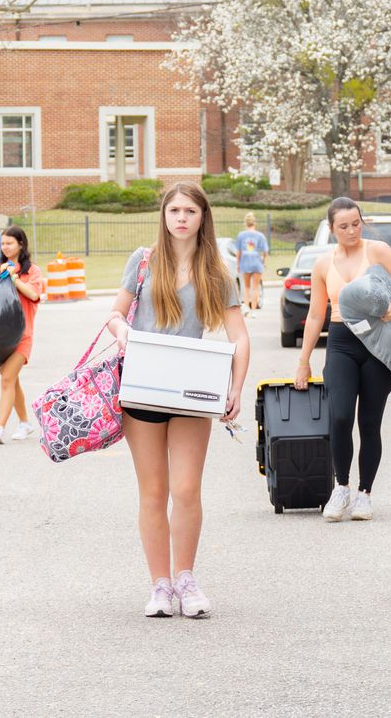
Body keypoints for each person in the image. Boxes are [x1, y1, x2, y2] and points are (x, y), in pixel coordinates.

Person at [105, 182, 249, 619]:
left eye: (190, 210)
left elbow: (239, 336)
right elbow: (114, 313)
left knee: (186, 490)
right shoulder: (144, 262)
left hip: (191, 389)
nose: (181, 218)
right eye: (174, 211)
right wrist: (124, 331)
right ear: (164, 217)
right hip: (142, 387)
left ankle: (186, 579)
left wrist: (235, 387)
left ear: (203, 216)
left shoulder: (218, 273)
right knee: (153, 492)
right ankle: (160, 586)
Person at [294, 197, 391, 522]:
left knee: (370, 423)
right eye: (343, 226)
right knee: (340, 416)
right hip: (341, 343)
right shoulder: (322, 265)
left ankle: (365, 494)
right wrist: (304, 360)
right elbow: (316, 313)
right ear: (331, 228)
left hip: (378, 343)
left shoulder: (377, 252)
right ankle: (341, 487)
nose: (351, 231)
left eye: (356, 223)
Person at [0, 226, 45, 444]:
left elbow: (34, 294)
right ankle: (25, 423)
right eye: (3, 243)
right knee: (12, 379)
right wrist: (0, 275)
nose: (5, 247)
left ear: (20, 244)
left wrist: (15, 278)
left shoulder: (32, 271)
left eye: (9, 243)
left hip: (22, 335)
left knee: (8, 378)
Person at [234, 211, 269, 316]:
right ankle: (254, 310)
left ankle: (247, 308)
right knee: (255, 287)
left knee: (246, 286)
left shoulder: (241, 235)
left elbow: (238, 252)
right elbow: (265, 252)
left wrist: (238, 265)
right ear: (254, 223)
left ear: (245, 223)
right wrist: (262, 260)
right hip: (257, 262)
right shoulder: (260, 236)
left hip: (245, 262)